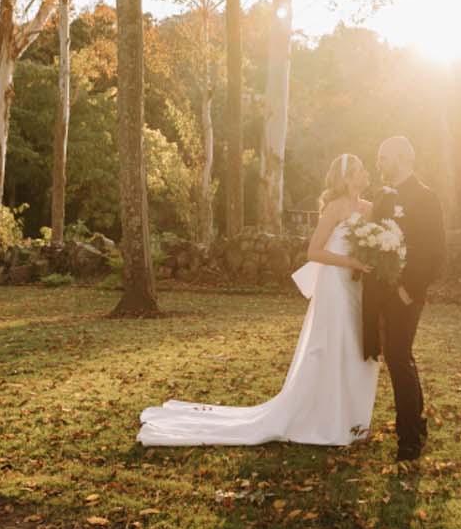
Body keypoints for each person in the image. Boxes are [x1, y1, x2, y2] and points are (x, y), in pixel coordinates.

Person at [135, 154, 380, 446]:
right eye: (361, 170)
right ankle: (329, 418)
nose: (367, 174)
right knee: (335, 346)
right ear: (348, 178)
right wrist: (350, 261)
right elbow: (314, 252)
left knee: (356, 348)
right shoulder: (334, 209)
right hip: (336, 286)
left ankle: (354, 419)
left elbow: (374, 245)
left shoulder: (370, 209)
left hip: (359, 287)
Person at [362, 135, 446, 462]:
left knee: (398, 357)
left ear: (400, 158)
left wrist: (409, 288)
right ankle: (417, 424)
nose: (378, 164)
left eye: (383, 158)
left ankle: (409, 440)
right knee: (397, 357)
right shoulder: (382, 197)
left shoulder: (426, 197)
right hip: (378, 291)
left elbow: (433, 251)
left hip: (406, 294)